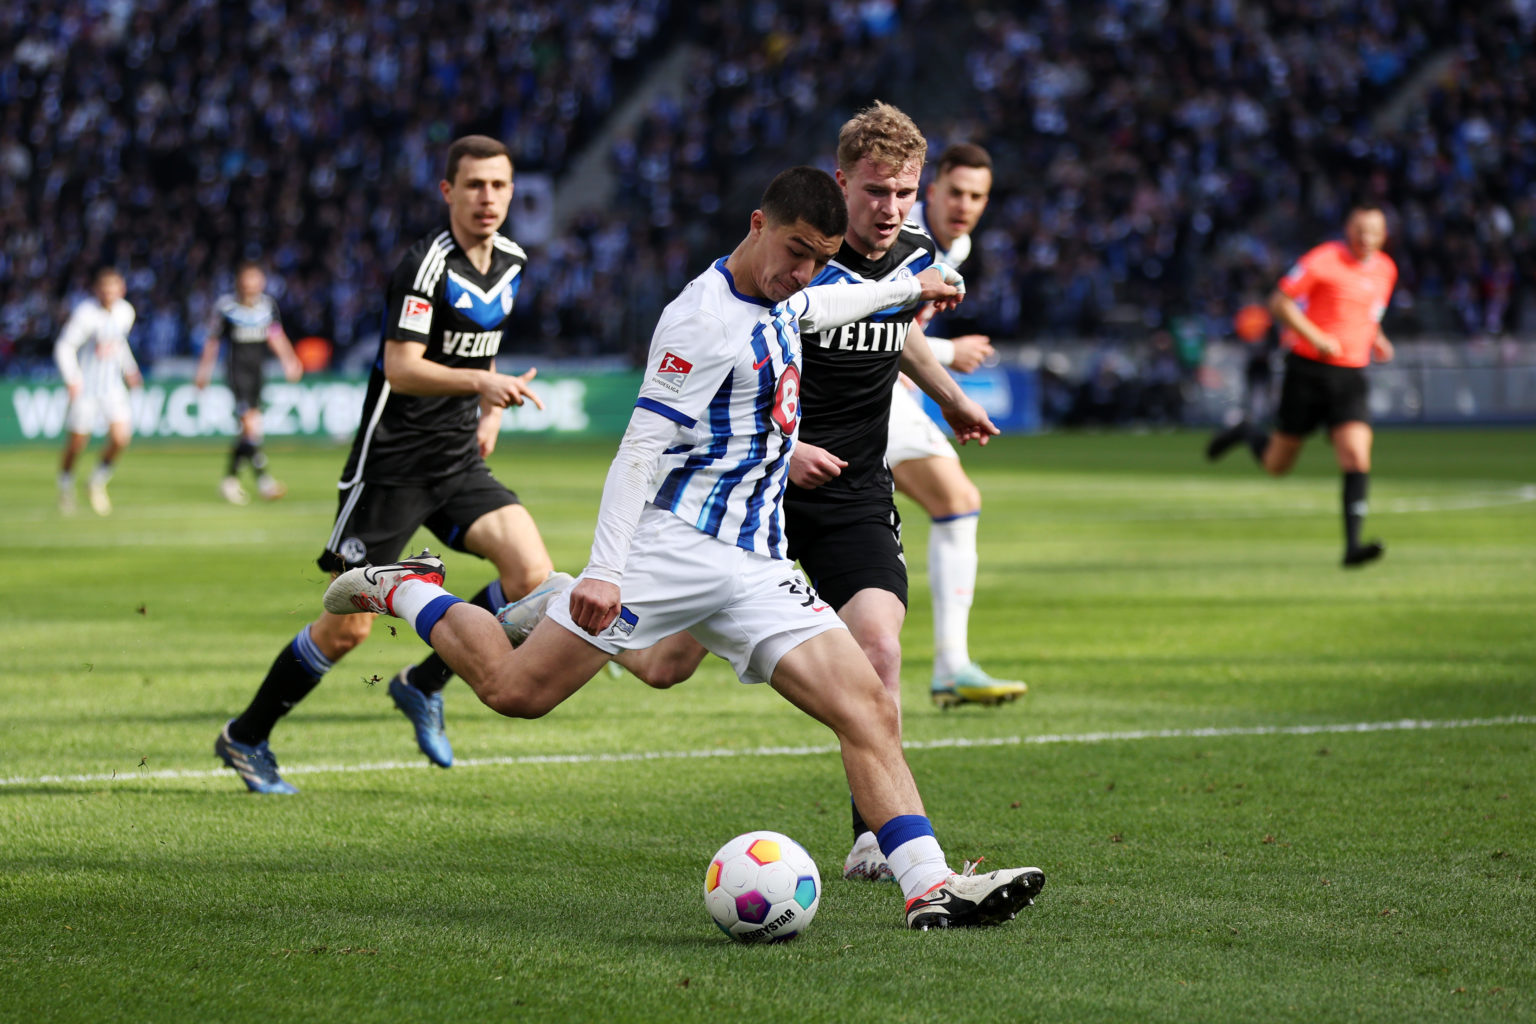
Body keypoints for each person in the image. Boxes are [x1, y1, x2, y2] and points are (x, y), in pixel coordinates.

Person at [322, 165, 1045, 929]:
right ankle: (406, 586)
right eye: (794, 250)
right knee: (514, 692)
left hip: (757, 561)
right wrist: (604, 571)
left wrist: (904, 289)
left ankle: (930, 888)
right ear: (759, 224)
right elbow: (639, 450)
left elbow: (822, 302)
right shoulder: (700, 319)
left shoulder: (785, 290)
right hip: (671, 550)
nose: (799, 272)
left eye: (816, 258)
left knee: (866, 703)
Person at [215, 135, 560, 793]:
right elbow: (402, 369)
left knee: (531, 576)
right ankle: (246, 735)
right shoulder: (424, 265)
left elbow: (482, 348)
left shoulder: (511, 260)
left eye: (500, 186)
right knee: (348, 629)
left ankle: (423, 682)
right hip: (390, 468)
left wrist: (487, 411)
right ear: (448, 193)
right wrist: (481, 388)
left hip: (457, 459)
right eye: (475, 186)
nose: (488, 198)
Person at [781, 103, 1006, 884]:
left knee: (878, 646)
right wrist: (784, 449)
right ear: (841, 182)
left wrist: (947, 393)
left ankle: (874, 835)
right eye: (876, 191)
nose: (891, 209)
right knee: (661, 661)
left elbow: (899, 322)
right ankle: (547, 602)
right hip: (763, 486)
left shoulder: (910, 250)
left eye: (905, 192)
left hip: (853, 491)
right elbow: (736, 357)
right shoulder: (797, 253)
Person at [893, 142, 1028, 708]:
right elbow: (881, 312)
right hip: (858, 390)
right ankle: (951, 665)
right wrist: (949, 356)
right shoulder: (903, 235)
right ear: (932, 191)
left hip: (883, 388)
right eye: (955, 192)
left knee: (762, 537)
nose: (964, 205)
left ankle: (615, 621)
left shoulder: (959, 245)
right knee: (957, 500)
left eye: (977, 196)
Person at [1205, 202, 1397, 568]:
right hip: (1307, 369)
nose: (1366, 238)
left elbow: (1368, 314)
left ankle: (1353, 546)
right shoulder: (1324, 259)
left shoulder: (1386, 270)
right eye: (1360, 230)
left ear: (1384, 235)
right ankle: (1245, 432)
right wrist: (1316, 336)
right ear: (1347, 229)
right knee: (1278, 464)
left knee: (1356, 455)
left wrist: (1377, 338)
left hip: (1350, 375)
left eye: (1373, 231)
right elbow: (1279, 302)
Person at [194, 261, 305, 504]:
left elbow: (275, 334)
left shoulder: (267, 306)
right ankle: (265, 483)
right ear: (239, 283)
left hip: (258, 374)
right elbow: (212, 342)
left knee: (249, 432)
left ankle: (229, 480)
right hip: (236, 374)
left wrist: (289, 359)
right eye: (247, 280)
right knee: (250, 427)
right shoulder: (226, 307)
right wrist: (203, 371)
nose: (251, 285)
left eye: (255, 280)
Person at [53, 267, 140, 516]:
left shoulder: (126, 312)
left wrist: (130, 370)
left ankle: (97, 481)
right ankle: (65, 486)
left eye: (114, 287)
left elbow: (119, 342)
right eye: (105, 287)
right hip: (87, 388)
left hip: (112, 386)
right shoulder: (85, 314)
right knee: (78, 442)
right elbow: (64, 346)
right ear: (97, 290)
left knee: (121, 437)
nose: (109, 292)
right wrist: (72, 378)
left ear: (121, 289)